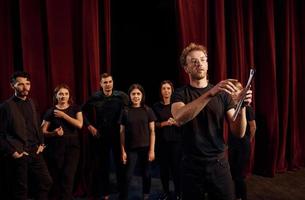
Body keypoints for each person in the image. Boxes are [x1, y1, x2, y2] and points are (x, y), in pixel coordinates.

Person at [171, 43, 253, 200]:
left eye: (202, 60)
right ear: (186, 68)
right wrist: (210, 93)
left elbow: (239, 131)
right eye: (193, 61)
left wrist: (241, 107)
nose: (199, 63)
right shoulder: (180, 94)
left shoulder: (222, 95)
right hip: (191, 165)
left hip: (219, 164)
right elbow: (179, 117)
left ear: (207, 64)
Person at [0, 71, 52, 199]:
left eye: (27, 84)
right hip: (19, 153)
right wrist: (13, 151)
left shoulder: (32, 103)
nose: (25, 87)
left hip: (35, 151)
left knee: (46, 182)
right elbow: (1, 134)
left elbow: (37, 125)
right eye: (20, 84)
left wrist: (42, 142)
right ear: (12, 86)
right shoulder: (5, 106)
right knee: (20, 190)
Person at [82, 73, 128, 200]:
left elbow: (130, 110)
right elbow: (81, 111)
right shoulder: (95, 97)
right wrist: (89, 126)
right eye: (105, 82)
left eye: (110, 82)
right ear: (100, 84)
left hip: (118, 134)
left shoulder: (121, 96)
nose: (108, 84)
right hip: (101, 135)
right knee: (103, 165)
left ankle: (122, 192)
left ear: (113, 82)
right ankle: (105, 192)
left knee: (121, 164)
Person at [41, 84, 83, 200]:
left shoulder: (76, 108)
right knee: (58, 175)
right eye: (60, 94)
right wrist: (53, 133)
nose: (63, 96)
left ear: (69, 95)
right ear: (56, 96)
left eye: (66, 94)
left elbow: (80, 124)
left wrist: (64, 115)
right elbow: (42, 131)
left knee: (68, 175)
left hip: (73, 146)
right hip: (56, 146)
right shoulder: (50, 111)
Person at [119, 83, 156, 200]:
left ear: (142, 95)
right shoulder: (125, 111)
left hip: (145, 148)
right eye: (133, 94)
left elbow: (152, 131)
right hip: (131, 149)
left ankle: (146, 195)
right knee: (127, 175)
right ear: (129, 96)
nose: (136, 96)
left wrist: (152, 150)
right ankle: (123, 197)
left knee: (146, 174)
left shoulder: (148, 110)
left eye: (138, 94)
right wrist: (123, 150)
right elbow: (121, 132)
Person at [152, 80, 182, 200]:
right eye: (164, 88)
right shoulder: (156, 106)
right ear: (161, 91)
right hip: (162, 142)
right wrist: (165, 123)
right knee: (164, 169)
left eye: (168, 88)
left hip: (176, 141)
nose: (166, 91)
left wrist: (177, 123)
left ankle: (179, 193)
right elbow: (153, 124)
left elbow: (184, 121)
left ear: (172, 90)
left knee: (176, 169)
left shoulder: (177, 105)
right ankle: (166, 192)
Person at [228, 81, 256, 200]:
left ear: (242, 92)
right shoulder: (231, 108)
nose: (234, 93)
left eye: (237, 90)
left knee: (239, 175)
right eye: (232, 91)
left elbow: (253, 127)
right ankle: (236, 196)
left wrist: (248, 141)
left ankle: (242, 197)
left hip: (243, 145)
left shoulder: (247, 109)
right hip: (233, 144)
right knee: (233, 173)